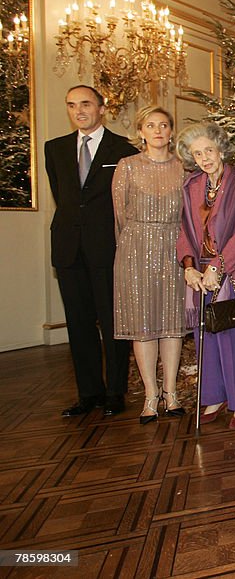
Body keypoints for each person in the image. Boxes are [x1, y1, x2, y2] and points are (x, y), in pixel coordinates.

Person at [45, 85, 137, 418]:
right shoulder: (53, 149)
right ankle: (88, 393)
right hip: (68, 249)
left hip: (108, 248)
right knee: (78, 323)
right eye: (72, 105)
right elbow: (64, 198)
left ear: (102, 107)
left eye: (85, 104)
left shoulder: (123, 149)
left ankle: (115, 392)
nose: (79, 111)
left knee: (113, 321)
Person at [176, 123, 235, 429]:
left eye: (208, 150)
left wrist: (217, 266)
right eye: (197, 153)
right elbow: (183, 230)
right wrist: (189, 267)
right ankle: (213, 395)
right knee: (204, 337)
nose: (204, 158)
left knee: (231, 337)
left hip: (232, 272)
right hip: (198, 273)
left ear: (220, 149)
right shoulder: (190, 187)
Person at [112, 106, 189, 424]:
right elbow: (118, 215)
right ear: (141, 131)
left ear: (171, 132)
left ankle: (171, 393)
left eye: (164, 125)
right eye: (150, 125)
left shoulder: (185, 167)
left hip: (174, 247)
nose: (157, 130)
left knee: (172, 323)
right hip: (135, 250)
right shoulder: (126, 166)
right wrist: (133, 249)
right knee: (142, 326)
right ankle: (150, 396)